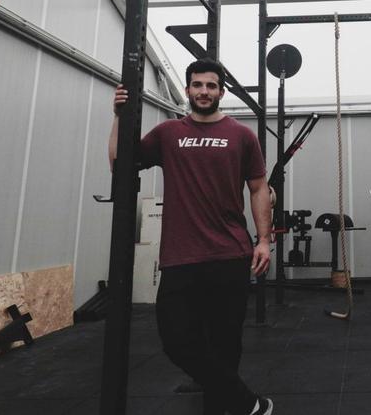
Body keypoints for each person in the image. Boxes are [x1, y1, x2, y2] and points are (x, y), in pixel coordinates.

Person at [109, 58, 273, 415]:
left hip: (230, 255)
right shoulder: (168, 133)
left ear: (221, 91)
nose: (204, 91)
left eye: (211, 86)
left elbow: (259, 188)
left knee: (226, 346)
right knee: (176, 341)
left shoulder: (241, 135)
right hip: (181, 257)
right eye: (197, 85)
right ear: (187, 90)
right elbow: (121, 164)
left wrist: (263, 239)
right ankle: (250, 406)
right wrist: (120, 117)